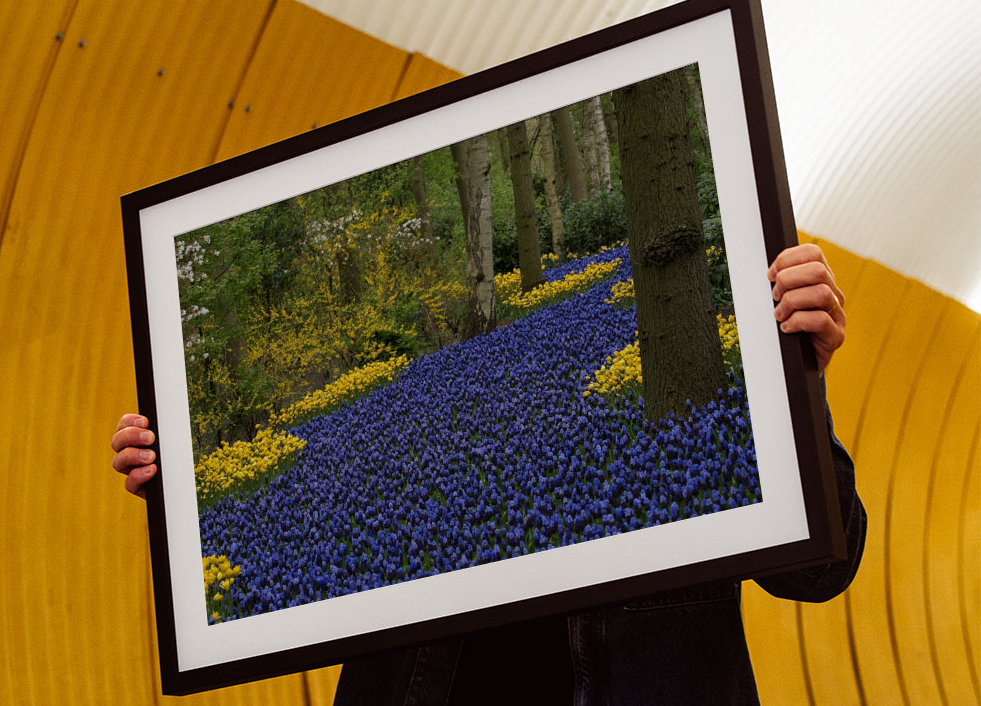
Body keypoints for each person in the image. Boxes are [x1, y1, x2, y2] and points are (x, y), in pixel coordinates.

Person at [111, 244, 866, 704]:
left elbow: (822, 570)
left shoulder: (716, 349)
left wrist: (795, 380)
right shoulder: (410, 467)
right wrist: (189, 495)